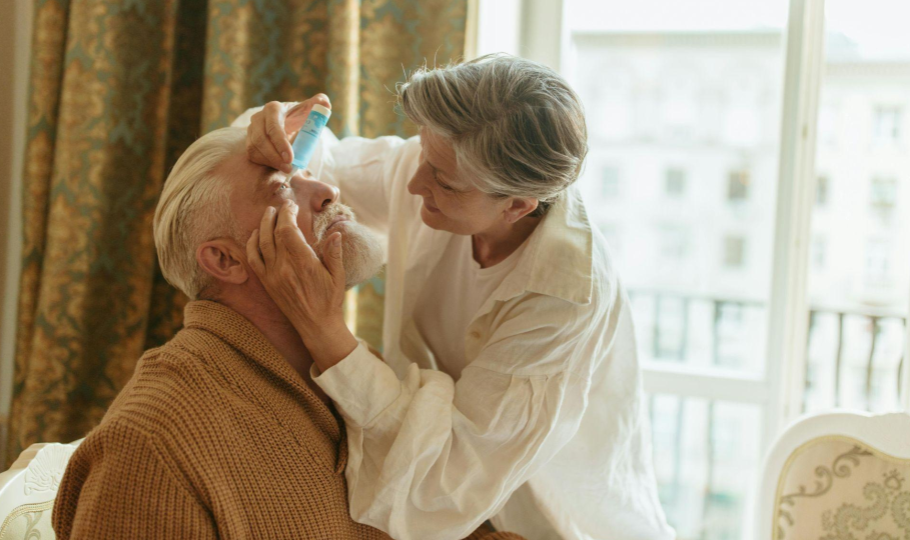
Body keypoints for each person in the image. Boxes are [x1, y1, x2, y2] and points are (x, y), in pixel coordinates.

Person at [237, 54, 675, 540]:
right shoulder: (439, 167)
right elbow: (322, 166)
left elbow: (447, 481)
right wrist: (272, 130)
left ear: (517, 206)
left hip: (546, 523)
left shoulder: (565, 299)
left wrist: (324, 329)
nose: (414, 183)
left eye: (443, 181)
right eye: (425, 155)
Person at [52, 127, 521, 540]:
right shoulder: (152, 443)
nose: (328, 189)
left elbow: (446, 527)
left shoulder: (352, 372)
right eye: (282, 188)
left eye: (307, 175)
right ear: (226, 260)